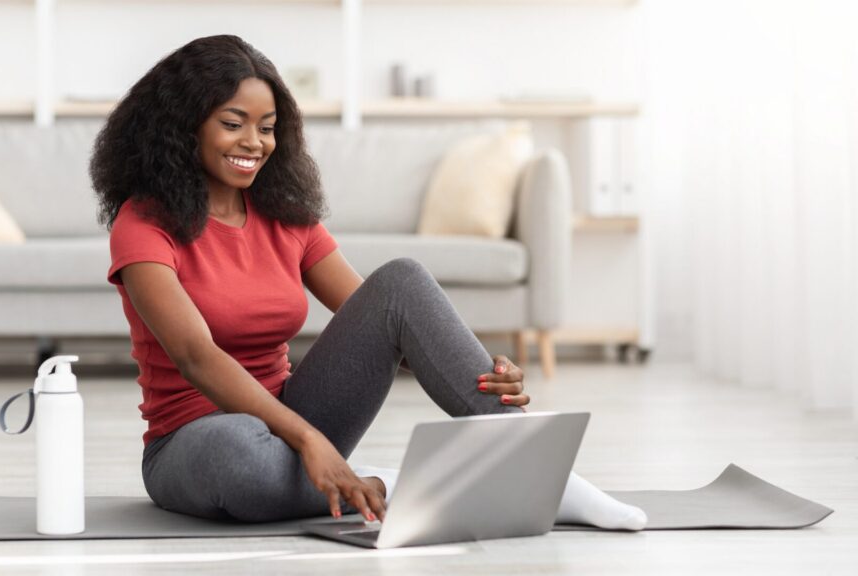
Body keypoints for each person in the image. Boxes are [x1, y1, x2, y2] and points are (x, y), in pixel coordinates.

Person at [92, 35, 646, 530]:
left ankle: (540, 467)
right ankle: (397, 485)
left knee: (402, 281)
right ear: (184, 125)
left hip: (297, 412)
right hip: (196, 440)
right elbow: (194, 356)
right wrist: (310, 441)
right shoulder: (144, 223)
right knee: (247, 464)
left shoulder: (284, 215)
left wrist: (482, 368)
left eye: (267, 128)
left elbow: (389, 319)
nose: (254, 143)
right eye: (232, 123)